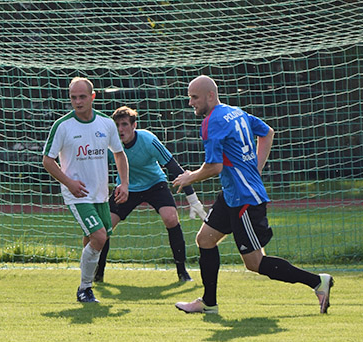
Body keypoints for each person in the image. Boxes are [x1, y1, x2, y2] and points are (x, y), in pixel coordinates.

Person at [173, 75, 333, 314]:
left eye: (194, 97)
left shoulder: (212, 122)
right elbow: (267, 132)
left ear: (210, 95)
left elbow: (214, 166)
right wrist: (254, 169)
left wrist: (189, 177)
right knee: (205, 239)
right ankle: (209, 303)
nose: (190, 102)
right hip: (231, 195)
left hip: (244, 200)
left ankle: (318, 282)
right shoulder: (235, 111)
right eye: (189, 97)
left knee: (255, 263)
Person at [94, 105, 206, 283]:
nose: (120, 130)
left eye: (124, 124)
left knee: (170, 218)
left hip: (155, 185)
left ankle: (182, 271)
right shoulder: (109, 145)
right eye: (117, 126)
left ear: (134, 125)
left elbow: (173, 167)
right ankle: (98, 274)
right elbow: (96, 168)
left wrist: (192, 198)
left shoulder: (148, 139)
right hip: (126, 188)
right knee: (104, 228)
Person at [42, 77, 129, 303]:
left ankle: (85, 284)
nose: (78, 101)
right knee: (99, 237)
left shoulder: (106, 123)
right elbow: (48, 160)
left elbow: (119, 154)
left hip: (100, 194)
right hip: (77, 195)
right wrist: (69, 182)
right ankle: (85, 288)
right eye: (73, 97)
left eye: (82, 97)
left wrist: (124, 183)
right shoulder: (62, 126)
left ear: (93, 96)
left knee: (94, 238)